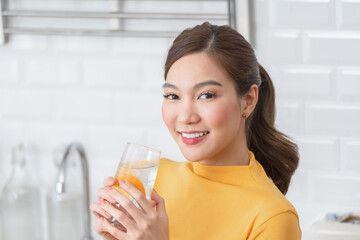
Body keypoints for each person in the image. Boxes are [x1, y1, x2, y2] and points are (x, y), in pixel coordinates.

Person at [90, 22, 301, 240]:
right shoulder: (153, 180)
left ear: (248, 101)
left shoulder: (273, 218)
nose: (185, 117)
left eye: (206, 95)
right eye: (173, 96)